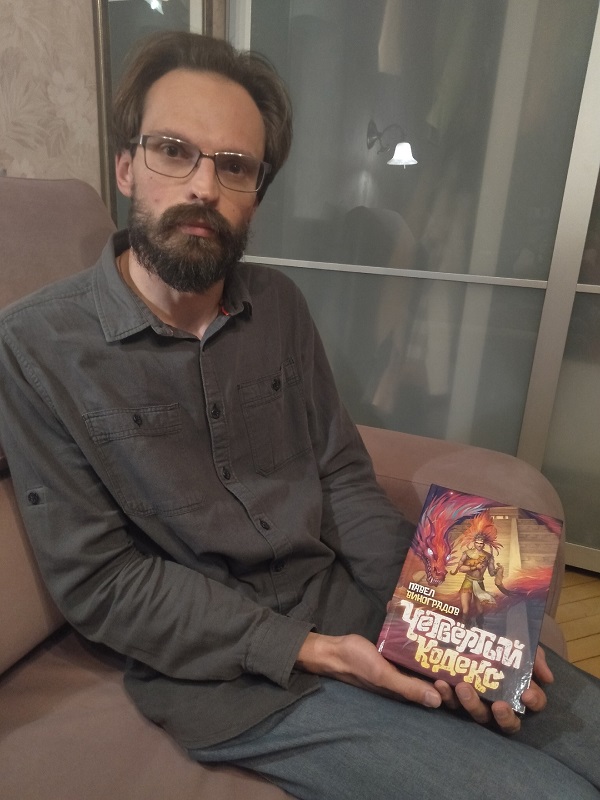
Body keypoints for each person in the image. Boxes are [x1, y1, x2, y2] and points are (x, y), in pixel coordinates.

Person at [0, 31, 598, 800]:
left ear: (257, 191)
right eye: (173, 151)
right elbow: (103, 582)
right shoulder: (35, 347)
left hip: (349, 600)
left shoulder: (279, 305)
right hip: (234, 682)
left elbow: (342, 474)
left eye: (235, 166)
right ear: (126, 166)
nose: (204, 186)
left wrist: (444, 612)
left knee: (581, 724)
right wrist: (313, 649)